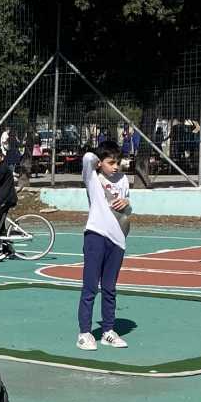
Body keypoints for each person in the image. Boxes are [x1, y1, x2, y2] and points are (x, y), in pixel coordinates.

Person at [77, 142, 131, 351]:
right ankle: (84, 333)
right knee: (90, 287)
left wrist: (127, 203)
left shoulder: (124, 180)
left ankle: (108, 331)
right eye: (111, 163)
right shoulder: (92, 177)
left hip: (117, 240)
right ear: (100, 163)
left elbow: (126, 211)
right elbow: (87, 159)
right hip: (96, 236)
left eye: (118, 162)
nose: (115, 166)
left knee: (109, 288)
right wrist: (97, 161)